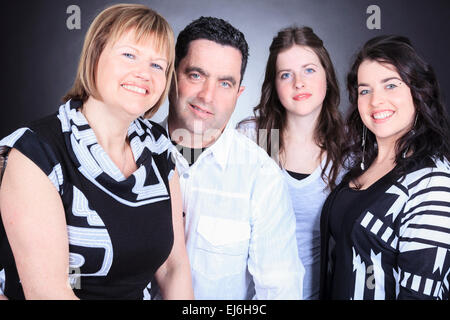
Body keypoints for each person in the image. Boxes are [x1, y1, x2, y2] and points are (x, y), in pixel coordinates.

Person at [0, 4, 193, 300]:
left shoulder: (158, 145)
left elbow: (173, 268)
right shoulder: (36, 153)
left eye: (157, 65)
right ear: (94, 57)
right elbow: (49, 293)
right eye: (129, 55)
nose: (143, 73)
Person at [160, 17, 304, 299]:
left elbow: (280, 290)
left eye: (225, 83)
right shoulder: (130, 152)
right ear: (172, 75)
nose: (207, 96)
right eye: (196, 75)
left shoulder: (260, 176)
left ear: (238, 93)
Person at [320, 35, 450, 300]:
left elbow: (421, 294)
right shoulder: (360, 165)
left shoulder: (432, 182)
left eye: (390, 85)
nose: (375, 101)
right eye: (365, 90)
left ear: (418, 91)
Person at [237, 26, 346, 299]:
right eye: (286, 75)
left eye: (309, 70)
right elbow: (186, 164)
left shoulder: (349, 150)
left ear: (327, 76)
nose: (299, 82)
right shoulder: (252, 137)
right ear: (274, 85)